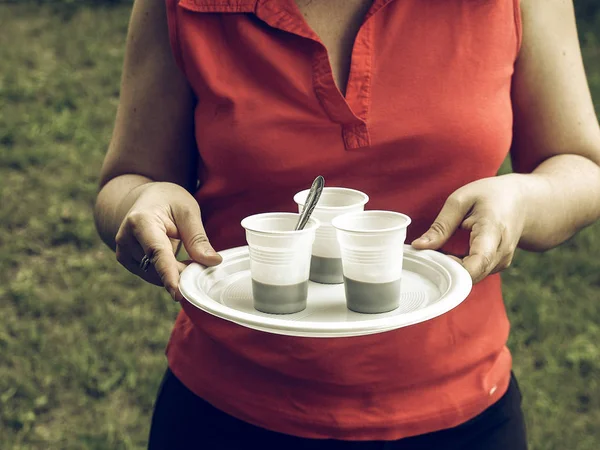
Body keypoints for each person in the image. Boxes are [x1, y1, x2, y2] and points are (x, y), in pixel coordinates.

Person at [93, 0, 600, 448]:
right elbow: (127, 181)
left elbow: (582, 166)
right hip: (228, 410)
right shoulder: (184, 5)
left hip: (458, 411)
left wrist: (523, 198)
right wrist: (142, 199)